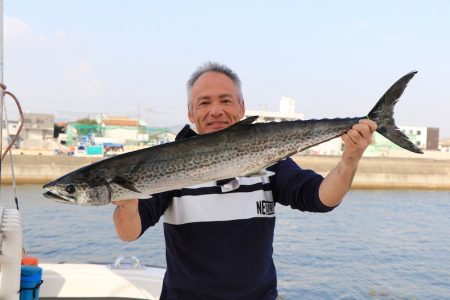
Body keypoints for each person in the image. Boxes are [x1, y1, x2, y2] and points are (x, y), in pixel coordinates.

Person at [113, 62, 377, 299]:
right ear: (191, 113)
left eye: (225, 101)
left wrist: (350, 160)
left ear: (241, 108)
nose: (215, 110)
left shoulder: (267, 157)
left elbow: (320, 198)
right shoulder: (167, 165)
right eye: (204, 103)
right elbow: (129, 232)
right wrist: (126, 204)